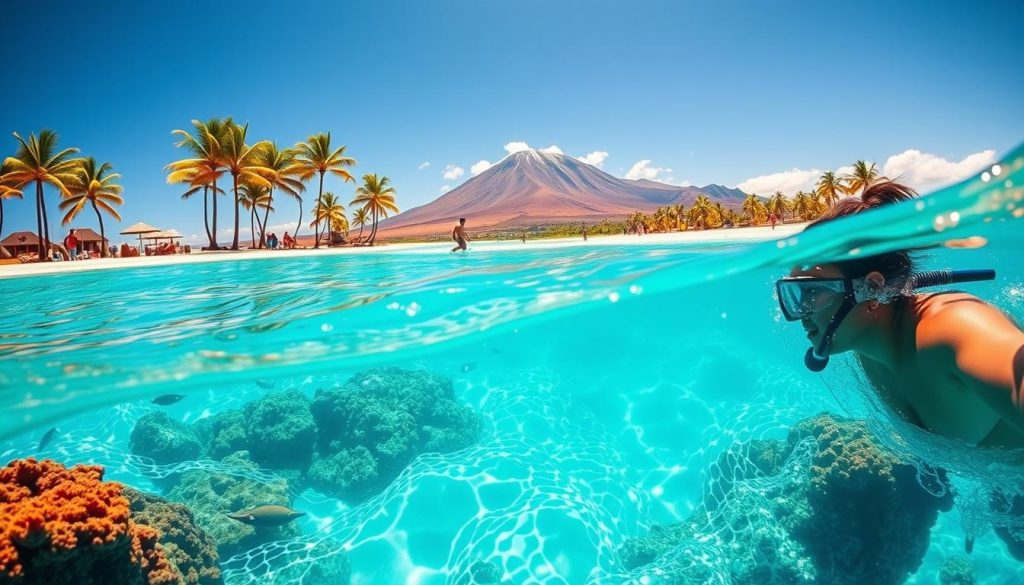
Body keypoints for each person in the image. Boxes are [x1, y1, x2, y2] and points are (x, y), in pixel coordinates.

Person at [775, 180, 1024, 449]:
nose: (801, 313)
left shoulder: (953, 326)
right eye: (795, 295)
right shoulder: (866, 346)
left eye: (812, 292)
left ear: (871, 288)